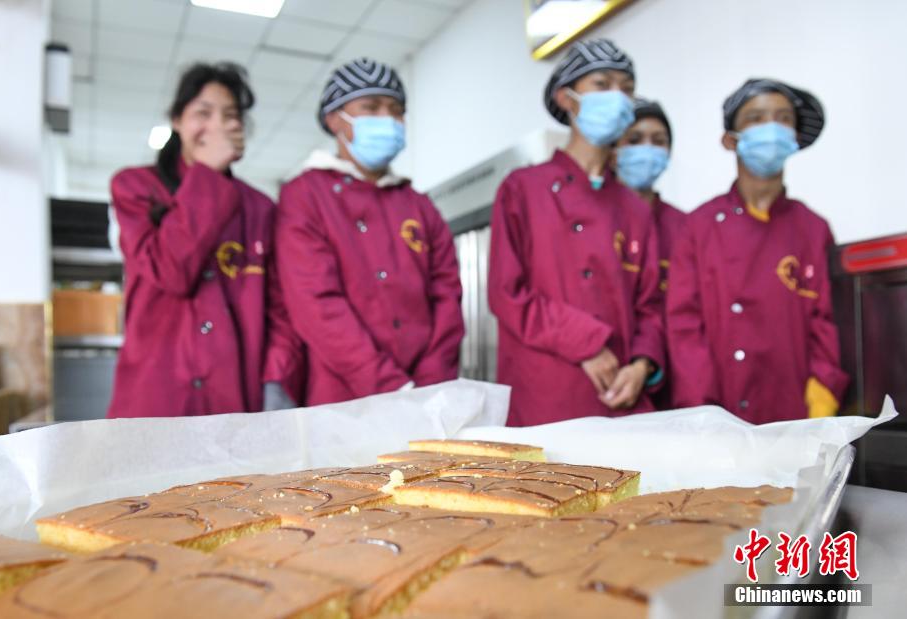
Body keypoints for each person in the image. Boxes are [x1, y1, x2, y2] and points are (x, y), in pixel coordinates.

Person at [108, 62, 304, 418]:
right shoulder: (135, 187)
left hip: (235, 399)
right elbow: (172, 271)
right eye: (203, 113)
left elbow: (280, 311)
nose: (216, 126)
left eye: (229, 115)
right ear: (177, 120)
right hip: (155, 397)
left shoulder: (261, 208)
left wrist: (277, 381)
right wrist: (208, 175)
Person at [488, 39, 665, 426]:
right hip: (545, 395)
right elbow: (506, 294)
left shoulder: (635, 209)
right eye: (602, 84)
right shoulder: (522, 189)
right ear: (566, 99)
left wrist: (641, 365)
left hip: (619, 397)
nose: (617, 97)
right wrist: (587, 344)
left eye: (626, 88)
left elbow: (650, 305)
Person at [274, 58, 464, 406]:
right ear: (335, 120)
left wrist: (429, 383)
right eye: (371, 107)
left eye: (396, 110)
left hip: (428, 396)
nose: (387, 119)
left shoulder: (419, 205)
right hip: (344, 398)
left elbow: (447, 296)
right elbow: (316, 305)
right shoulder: (305, 196)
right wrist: (392, 388)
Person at [666, 78, 848, 423]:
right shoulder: (698, 227)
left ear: (795, 137)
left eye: (783, 118)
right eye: (756, 118)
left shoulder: (813, 228)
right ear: (730, 140)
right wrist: (700, 410)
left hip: (795, 411)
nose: (771, 128)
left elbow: (826, 321)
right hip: (719, 412)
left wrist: (822, 399)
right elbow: (684, 325)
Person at [614, 97, 687, 409]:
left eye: (658, 141)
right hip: (606, 377)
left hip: (674, 383)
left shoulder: (685, 227)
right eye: (634, 140)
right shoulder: (595, 223)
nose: (647, 149)